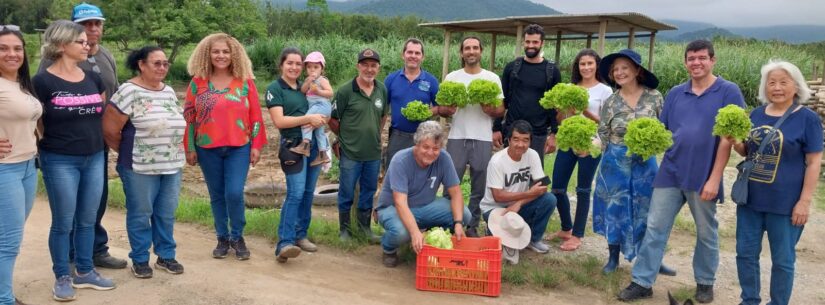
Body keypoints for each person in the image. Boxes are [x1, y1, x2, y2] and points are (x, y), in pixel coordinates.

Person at [619, 40, 746, 303]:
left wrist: (714, 178)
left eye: (702, 58)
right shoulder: (676, 93)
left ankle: (705, 282)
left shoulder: (728, 91)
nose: (696, 63)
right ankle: (642, 281)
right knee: (655, 227)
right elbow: (663, 131)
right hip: (670, 172)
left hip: (703, 175)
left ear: (713, 60)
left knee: (706, 231)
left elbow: (728, 138)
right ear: (685, 62)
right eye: (691, 58)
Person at [38, 2, 126, 270]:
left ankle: (93, 254)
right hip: (62, 151)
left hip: (97, 146)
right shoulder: (48, 68)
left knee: (93, 206)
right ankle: (66, 262)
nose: (93, 30)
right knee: (66, 214)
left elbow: (113, 97)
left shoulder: (106, 57)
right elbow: (38, 111)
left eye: (97, 24)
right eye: (86, 25)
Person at [730, 60, 822, 305]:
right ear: (765, 87)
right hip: (750, 200)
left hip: (786, 204)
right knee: (745, 254)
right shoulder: (756, 114)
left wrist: (804, 201)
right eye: (772, 82)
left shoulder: (807, 119)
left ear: (796, 86)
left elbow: (814, 162)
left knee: (783, 260)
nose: (777, 87)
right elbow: (748, 152)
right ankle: (749, 299)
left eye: (784, 82)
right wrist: (734, 141)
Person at [102, 46, 186, 279]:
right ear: (141, 64)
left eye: (165, 63)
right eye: (156, 63)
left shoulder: (168, 91)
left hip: (171, 164)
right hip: (139, 166)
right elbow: (110, 129)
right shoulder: (128, 91)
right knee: (141, 213)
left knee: (166, 213)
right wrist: (132, 150)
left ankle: (165, 255)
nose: (162, 67)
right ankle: (140, 259)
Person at [183, 33, 267, 261]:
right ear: (207, 55)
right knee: (217, 195)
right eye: (216, 51)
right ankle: (222, 237)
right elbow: (189, 117)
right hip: (207, 148)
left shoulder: (245, 82)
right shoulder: (197, 82)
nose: (221, 55)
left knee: (233, 193)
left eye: (226, 51)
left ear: (234, 54)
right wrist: (189, 146)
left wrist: (256, 146)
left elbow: (256, 116)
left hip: (239, 147)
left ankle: (237, 236)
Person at [593, 49, 671, 276]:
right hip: (615, 164)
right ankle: (613, 259)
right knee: (615, 209)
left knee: (648, 211)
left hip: (646, 165)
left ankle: (652, 259)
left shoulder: (654, 97)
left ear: (637, 70)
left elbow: (663, 128)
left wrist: (653, 145)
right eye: (615, 69)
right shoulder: (611, 101)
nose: (619, 73)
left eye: (625, 68)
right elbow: (603, 132)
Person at [376, 121, 471, 267]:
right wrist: (414, 232)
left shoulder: (444, 158)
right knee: (402, 232)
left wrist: (458, 223)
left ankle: (435, 241)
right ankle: (389, 248)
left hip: (426, 206)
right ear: (417, 143)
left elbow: (456, 193)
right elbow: (400, 203)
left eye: (435, 148)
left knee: (465, 215)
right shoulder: (401, 160)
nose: (430, 152)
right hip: (393, 208)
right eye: (426, 147)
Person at [266, 47, 329, 263]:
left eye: (297, 64)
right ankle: (284, 242)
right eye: (289, 63)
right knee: (295, 193)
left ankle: (301, 234)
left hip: (311, 146)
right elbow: (280, 121)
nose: (294, 67)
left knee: (309, 192)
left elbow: (323, 102)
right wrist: (308, 120)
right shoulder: (275, 88)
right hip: (292, 146)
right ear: (281, 65)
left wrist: (322, 119)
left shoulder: (305, 89)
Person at [437, 36, 504, 237]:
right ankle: (447, 221)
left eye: (475, 48)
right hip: (457, 136)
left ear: (480, 51)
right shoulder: (452, 77)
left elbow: (501, 109)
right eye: (467, 48)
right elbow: (441, 109)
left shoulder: (491, 78)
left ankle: (472, 224)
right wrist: (447, 110)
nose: (471, 51)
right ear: (462, 52)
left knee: (479, 185)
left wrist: (489, 108)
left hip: (482, 138)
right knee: (451, 182)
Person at [548, 48, 612, 251]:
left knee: (583, 189)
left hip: (590, 142)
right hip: (567, 141)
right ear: (578, 66)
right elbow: (560, 120)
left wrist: (584, 110)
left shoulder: (605, 91)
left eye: (590, 63)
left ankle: (577, 234)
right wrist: (562, 111)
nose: (586, 67)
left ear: (597, 66)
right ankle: (566, 228)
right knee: (557, 187)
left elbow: (605, 123)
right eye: (582, 64)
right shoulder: (569, 87)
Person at [0, 24, 41, 305]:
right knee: (9, 240)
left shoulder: (21, 84)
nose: (12, 54)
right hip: (6, 169)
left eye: (17, 48)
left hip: (28, 167)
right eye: (3, 48)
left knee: (9, 235)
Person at [329, 48, 388, 243]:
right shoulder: (346, 91)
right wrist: (345, 138)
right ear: (358, 66)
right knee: (346, 191)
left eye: (373, 65)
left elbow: (382, 116)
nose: (369, 69)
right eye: (365, 65)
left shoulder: (381, 89)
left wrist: (376, 136)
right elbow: (333, 118)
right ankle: (344, 230)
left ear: (378, 68)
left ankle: (364, 229)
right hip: (351, 153)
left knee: (369, 191)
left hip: (372, 152)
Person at [480, 120, 556, 264]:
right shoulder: (497, 161)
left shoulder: (532, 155)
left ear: (530, 141)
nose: (520, 144)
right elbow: (498, 196)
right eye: (516, 139)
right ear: (509, 140)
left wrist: (519, 203)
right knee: (502, 244)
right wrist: (528, 194)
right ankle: (492, 231)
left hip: (517, 205)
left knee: (549, 199)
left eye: (525, 140)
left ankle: (532, 239)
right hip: (494, 208)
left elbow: (543, 186)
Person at [494, 24, 562, 168]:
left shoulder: (552, 71)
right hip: (513, 131)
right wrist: (496, 128)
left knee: (534, 175)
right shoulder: (512, 68)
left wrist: (554, 134)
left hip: (538, 133)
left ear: (542, 43)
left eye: (535, 42)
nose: (531, 45)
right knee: (509, 171)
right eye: (528, 42)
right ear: (523, 42)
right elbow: (502, 100)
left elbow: (555, 106)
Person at [383, 38, 439, 170]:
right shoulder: (391, 79)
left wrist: (427, 112)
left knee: (420, 172)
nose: (413, 56)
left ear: (422, 57)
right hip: (398, 135)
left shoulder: (431, 81)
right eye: (410, 52)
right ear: (403, 55)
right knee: (394, 171)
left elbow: (439, 106)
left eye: (417, 53)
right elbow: (383, 108)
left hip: (423, 136)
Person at [289, 51, 333, 167]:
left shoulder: (322, 80)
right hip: (316, 107)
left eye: (316, 67)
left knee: (306, 121)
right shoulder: (309, 80)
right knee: (319, 131)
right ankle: (323, 154)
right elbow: (303, 90)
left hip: (322, 105)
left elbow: (330, 93)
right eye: (309, 67)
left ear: (321, 69)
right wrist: (308, 81)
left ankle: (305, 145)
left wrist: (318, 91)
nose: (312, 70)